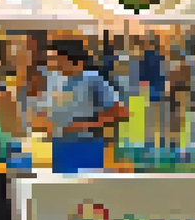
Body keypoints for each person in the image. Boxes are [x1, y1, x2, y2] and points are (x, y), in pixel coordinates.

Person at [35, 39, 128, 174]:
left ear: (70, 59)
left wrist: (88, 125)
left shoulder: (92, 80)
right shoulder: (53, 82)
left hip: (86, 146)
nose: (51, 64)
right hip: (60, 147)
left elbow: (120, 111)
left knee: (87, 189)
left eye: (55, 59)